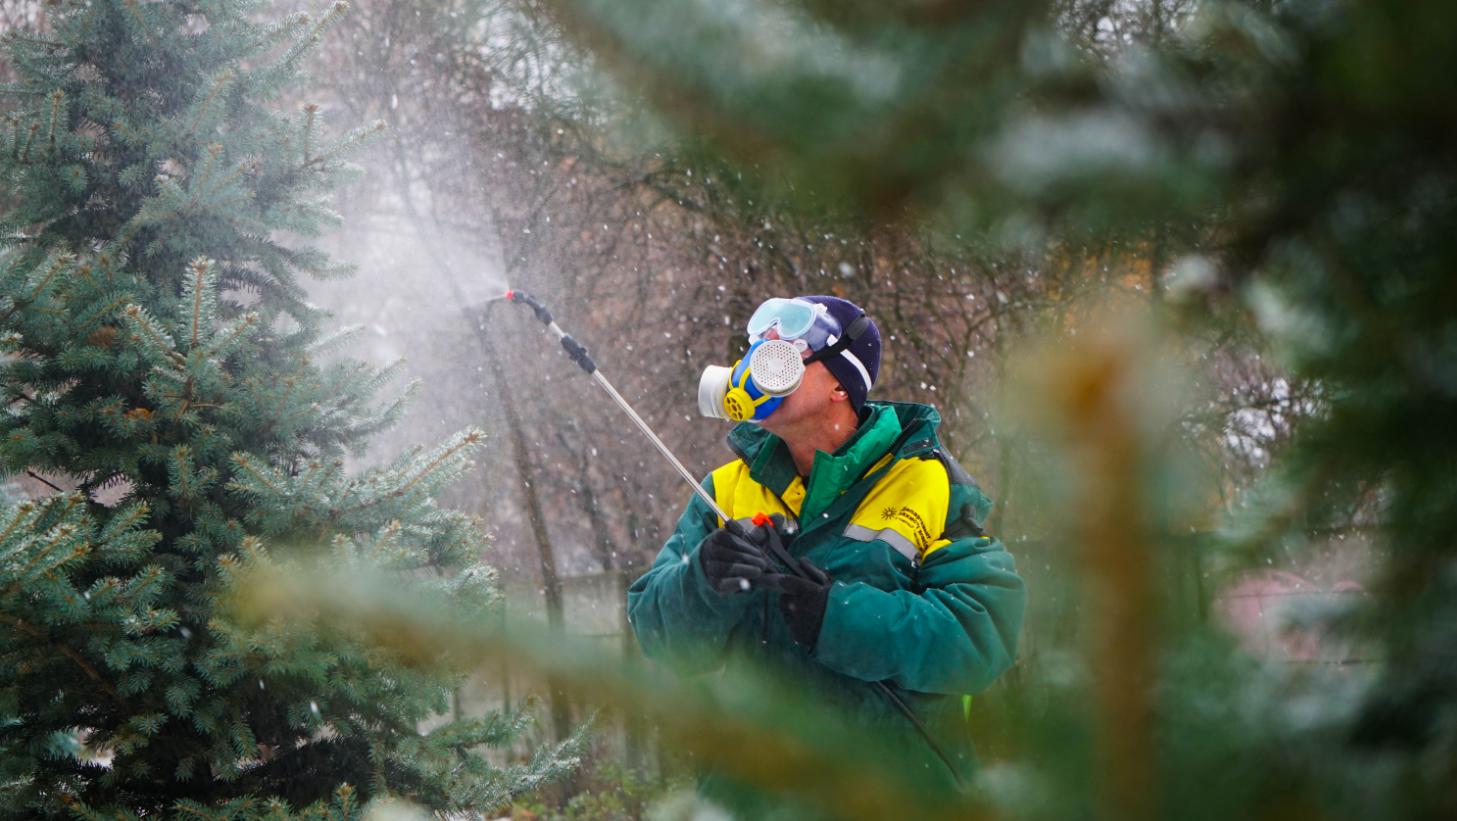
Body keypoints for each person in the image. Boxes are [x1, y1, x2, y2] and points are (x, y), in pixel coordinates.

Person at [626, 295, 1025, 798]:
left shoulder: (928, 483)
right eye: (757, 350)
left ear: (840, 384)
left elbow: (983, 633)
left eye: (784, 355)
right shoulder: (724, 491)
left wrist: (838, 618)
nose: (757, 364)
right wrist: (702, 577)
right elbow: (656, 633)